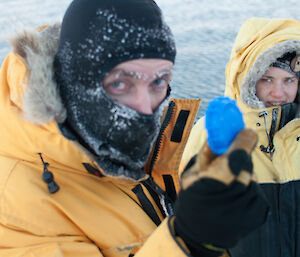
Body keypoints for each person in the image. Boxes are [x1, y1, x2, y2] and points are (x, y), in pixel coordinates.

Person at [0, 1, 269, 256]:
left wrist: (203, 203)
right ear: (71, 82)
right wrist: (188, 242)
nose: (145, 107)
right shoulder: (13, 205)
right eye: (120, 83)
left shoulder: (114, 144)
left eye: (158, 81)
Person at [181, 17, 300, 257]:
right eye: (266, 79)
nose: (278, 93)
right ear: (247, 78)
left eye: (289, 80)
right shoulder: (209, 133)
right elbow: (186, 222)